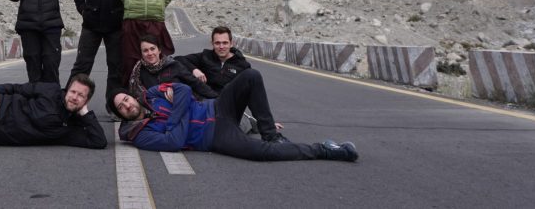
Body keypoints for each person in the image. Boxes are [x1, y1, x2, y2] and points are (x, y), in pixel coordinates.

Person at [108, 69, 358, 163]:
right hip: (215, 136)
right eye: (121, 106)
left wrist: (174, 122)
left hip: (217, 107)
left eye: (126, 99)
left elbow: (184, 88)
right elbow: (173, 143)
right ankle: (324, 150)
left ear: (132, 96)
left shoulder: (152, 93)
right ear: (121, 115)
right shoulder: (140, 135)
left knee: (251, 77)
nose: (127, 105)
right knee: (261, 154)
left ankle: (273, 135)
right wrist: (178, 111)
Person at [129, 34, 217, 101]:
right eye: (145, 50)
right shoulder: (138, 73)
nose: (150, 53)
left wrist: (217, 99)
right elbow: (138, 98)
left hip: (185, 104)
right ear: (141, 53)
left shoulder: (173, 65)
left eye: (152, 49)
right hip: (158, 112)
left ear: (159, 50)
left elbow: (196, 84)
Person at [176, 26, 251, 92]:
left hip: (228, 104)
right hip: (206, 101)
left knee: (254, 75)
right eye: (217, 43)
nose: (221, 47)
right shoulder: (206, 56)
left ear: (231, 43)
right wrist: (194, 70)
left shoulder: (242, 65)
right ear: (212, 44)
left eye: (225, 43)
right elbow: (178, 59)